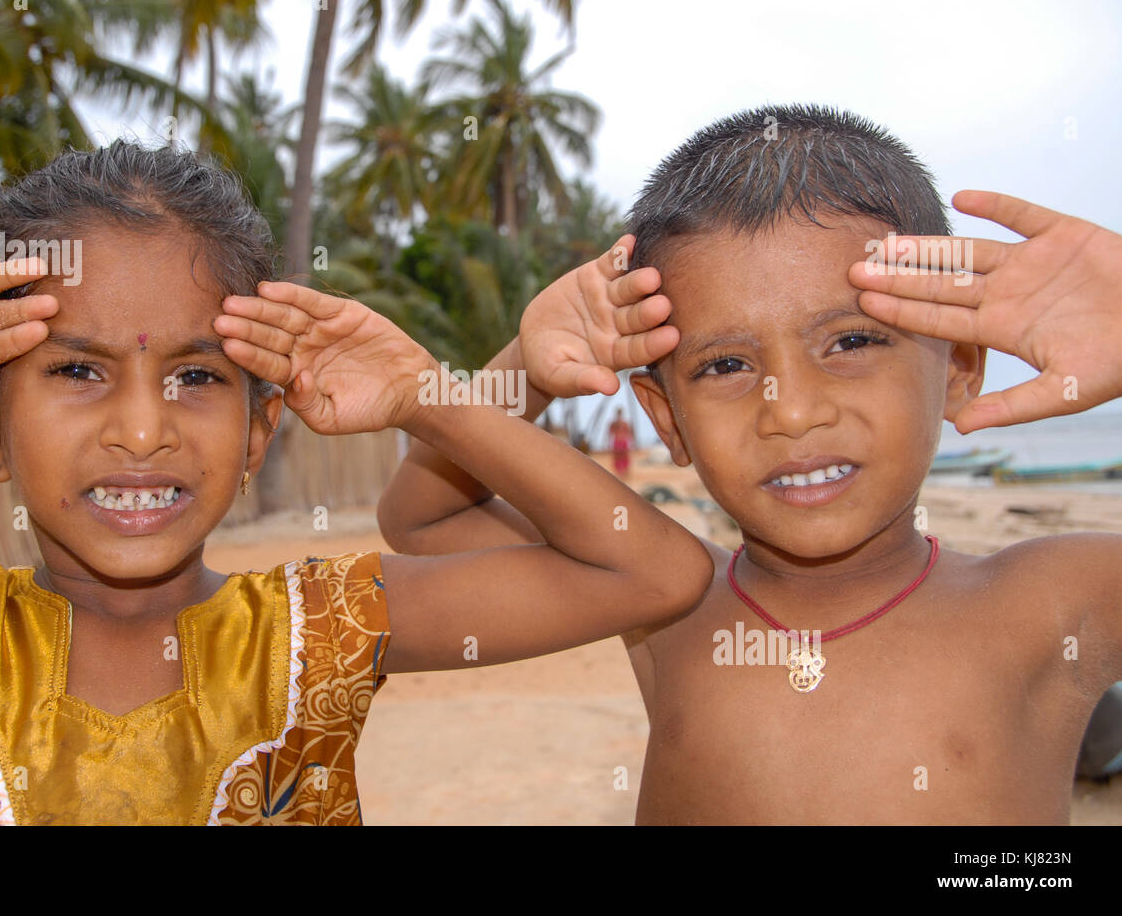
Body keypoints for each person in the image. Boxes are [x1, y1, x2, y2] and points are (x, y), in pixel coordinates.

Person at [0, 142, 714, 825]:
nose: (142, 429)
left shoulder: (318, 632)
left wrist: (427, 399)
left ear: (259, 430)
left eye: (199, 377)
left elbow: (650, 571)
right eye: (77, 373)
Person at [377, 104, 1122, 823]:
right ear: (666, 416)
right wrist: (534, 369)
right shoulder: (663, 601)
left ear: (958, 367)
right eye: (727, 363)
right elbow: (424, 516)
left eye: (852, 343)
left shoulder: (1047, 603)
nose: (791, 411)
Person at [608, 408, 633, 479]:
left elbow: (610, 433)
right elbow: (628, 433)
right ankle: (622, 474)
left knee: (621, 458)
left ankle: (622, 474)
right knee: (621, 458)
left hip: (619, 441)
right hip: (621, 441)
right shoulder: (622, 423)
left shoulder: (618, 423)